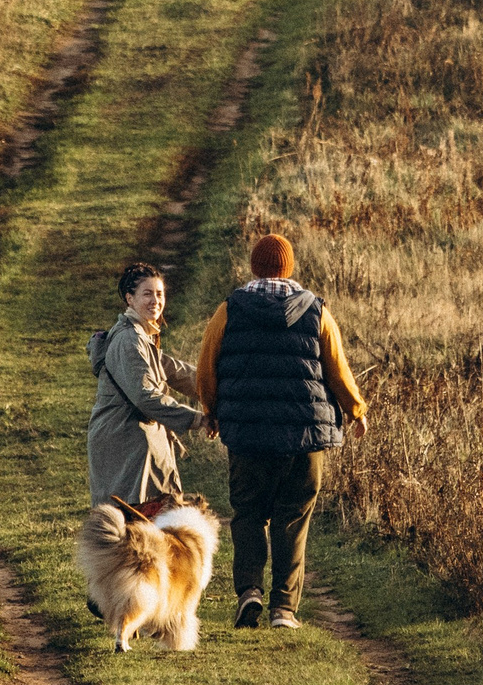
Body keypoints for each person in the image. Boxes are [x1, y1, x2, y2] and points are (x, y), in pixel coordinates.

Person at [196, 232, 367, 631]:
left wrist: (211, 409)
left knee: (249, 513)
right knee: (293, 518)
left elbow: (208, 363)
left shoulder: (229, 309)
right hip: (305, 437)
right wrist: (355, 409)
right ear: (288, 268)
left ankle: (249, 591)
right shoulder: (315, 310)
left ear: (254, 267)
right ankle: (284, 610)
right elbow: (337, 369)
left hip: (248, 435)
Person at [86, 262, 202, 509]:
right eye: (147, 294)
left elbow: (172, 370)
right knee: (134, 527)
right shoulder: (130, 339)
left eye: (159, 294)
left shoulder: (139, 334)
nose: (155, 301)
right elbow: (145, 396)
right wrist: (197, 419)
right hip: (127, 445)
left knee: (146, 527)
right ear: (130, 298)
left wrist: (217, 387)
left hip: (132, 443)